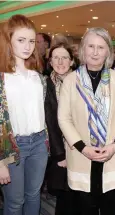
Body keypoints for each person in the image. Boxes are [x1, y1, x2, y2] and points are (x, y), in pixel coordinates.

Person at [58, 27, 115, 215]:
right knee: (84, 207)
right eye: (91, 46)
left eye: (100, 47)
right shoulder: (70, 80)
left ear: (108, 51)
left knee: (109, 207)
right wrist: (83, 148)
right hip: (81, 155)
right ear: (83, 49)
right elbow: (63, 118)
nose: (95, 52)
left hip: (111, 155)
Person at [0, 14, 48, 215]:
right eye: (21, 40)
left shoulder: (38, 77)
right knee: (14, 201)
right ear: (8, 41)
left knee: (34, 195)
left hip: (39, 144)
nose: (28, 46)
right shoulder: (3, 78)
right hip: (11, 146)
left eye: (31, 41)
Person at [45, 42, 80, 215]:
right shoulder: (45, 86)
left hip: (82, 146)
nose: (60, 62)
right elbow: (49, 122)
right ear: (50, 62)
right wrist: (60, 154)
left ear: (72, 61)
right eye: (55, 58)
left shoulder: (82, 82)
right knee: (65, 195)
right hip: (60, 147)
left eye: (64, 57)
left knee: (82, 193)